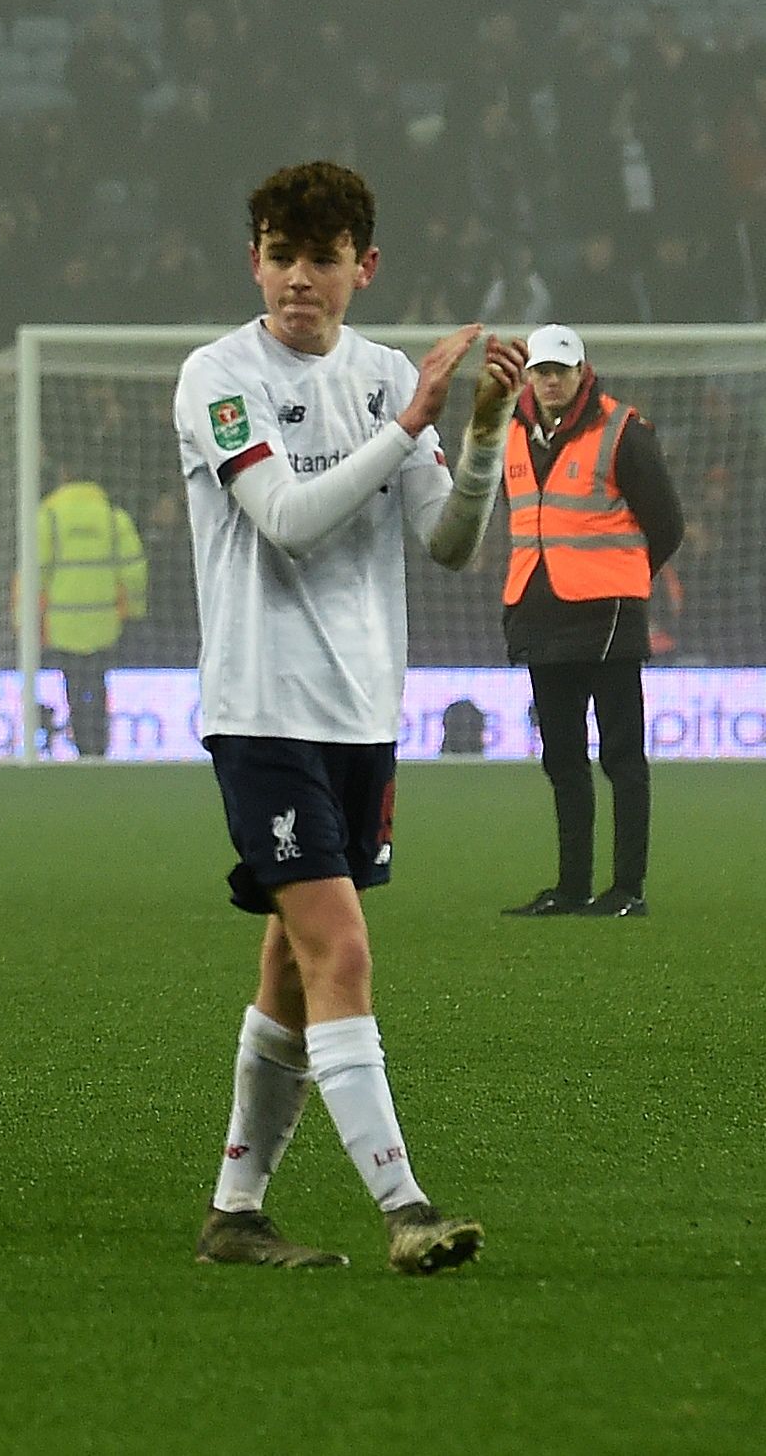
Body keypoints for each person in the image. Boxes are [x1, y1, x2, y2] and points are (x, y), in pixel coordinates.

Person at [171, 160, 511, 1274]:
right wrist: (409, 416)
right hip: (261, 711)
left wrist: (475, 438)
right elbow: (284, 519)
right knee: (339, 950)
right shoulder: (217, 375)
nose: (296, 279)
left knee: (286, 965)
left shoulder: (373, 377)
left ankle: (233, 1214)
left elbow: (448, 541)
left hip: (363, 718)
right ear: (253, 260)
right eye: (278, 253)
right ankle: (403, 1207)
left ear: (360, 268)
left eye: (320, 258)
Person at [496, 324, 683, 919]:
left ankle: (628, 888)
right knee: (563, 760)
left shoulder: (623, 430)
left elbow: (667, 523)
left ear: (582, 372)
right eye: (541, 371)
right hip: (541, 612)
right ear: (530, 377)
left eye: (561, 370)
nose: (551, 380)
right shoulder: (512, 434)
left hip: (609, 617)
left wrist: (625, 576)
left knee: (622, 758)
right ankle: (572, 886)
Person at [26, 466, 147, 758]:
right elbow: (134, 571)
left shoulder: (48, 517)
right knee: (98, 684)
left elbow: (34, 574)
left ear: (63, 477)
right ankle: (99, 747)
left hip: (63, 625)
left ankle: (82, 746)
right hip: (105, 624)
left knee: (74, 688)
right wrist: (134, 609)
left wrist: (27, 621)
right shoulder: (113, 517)